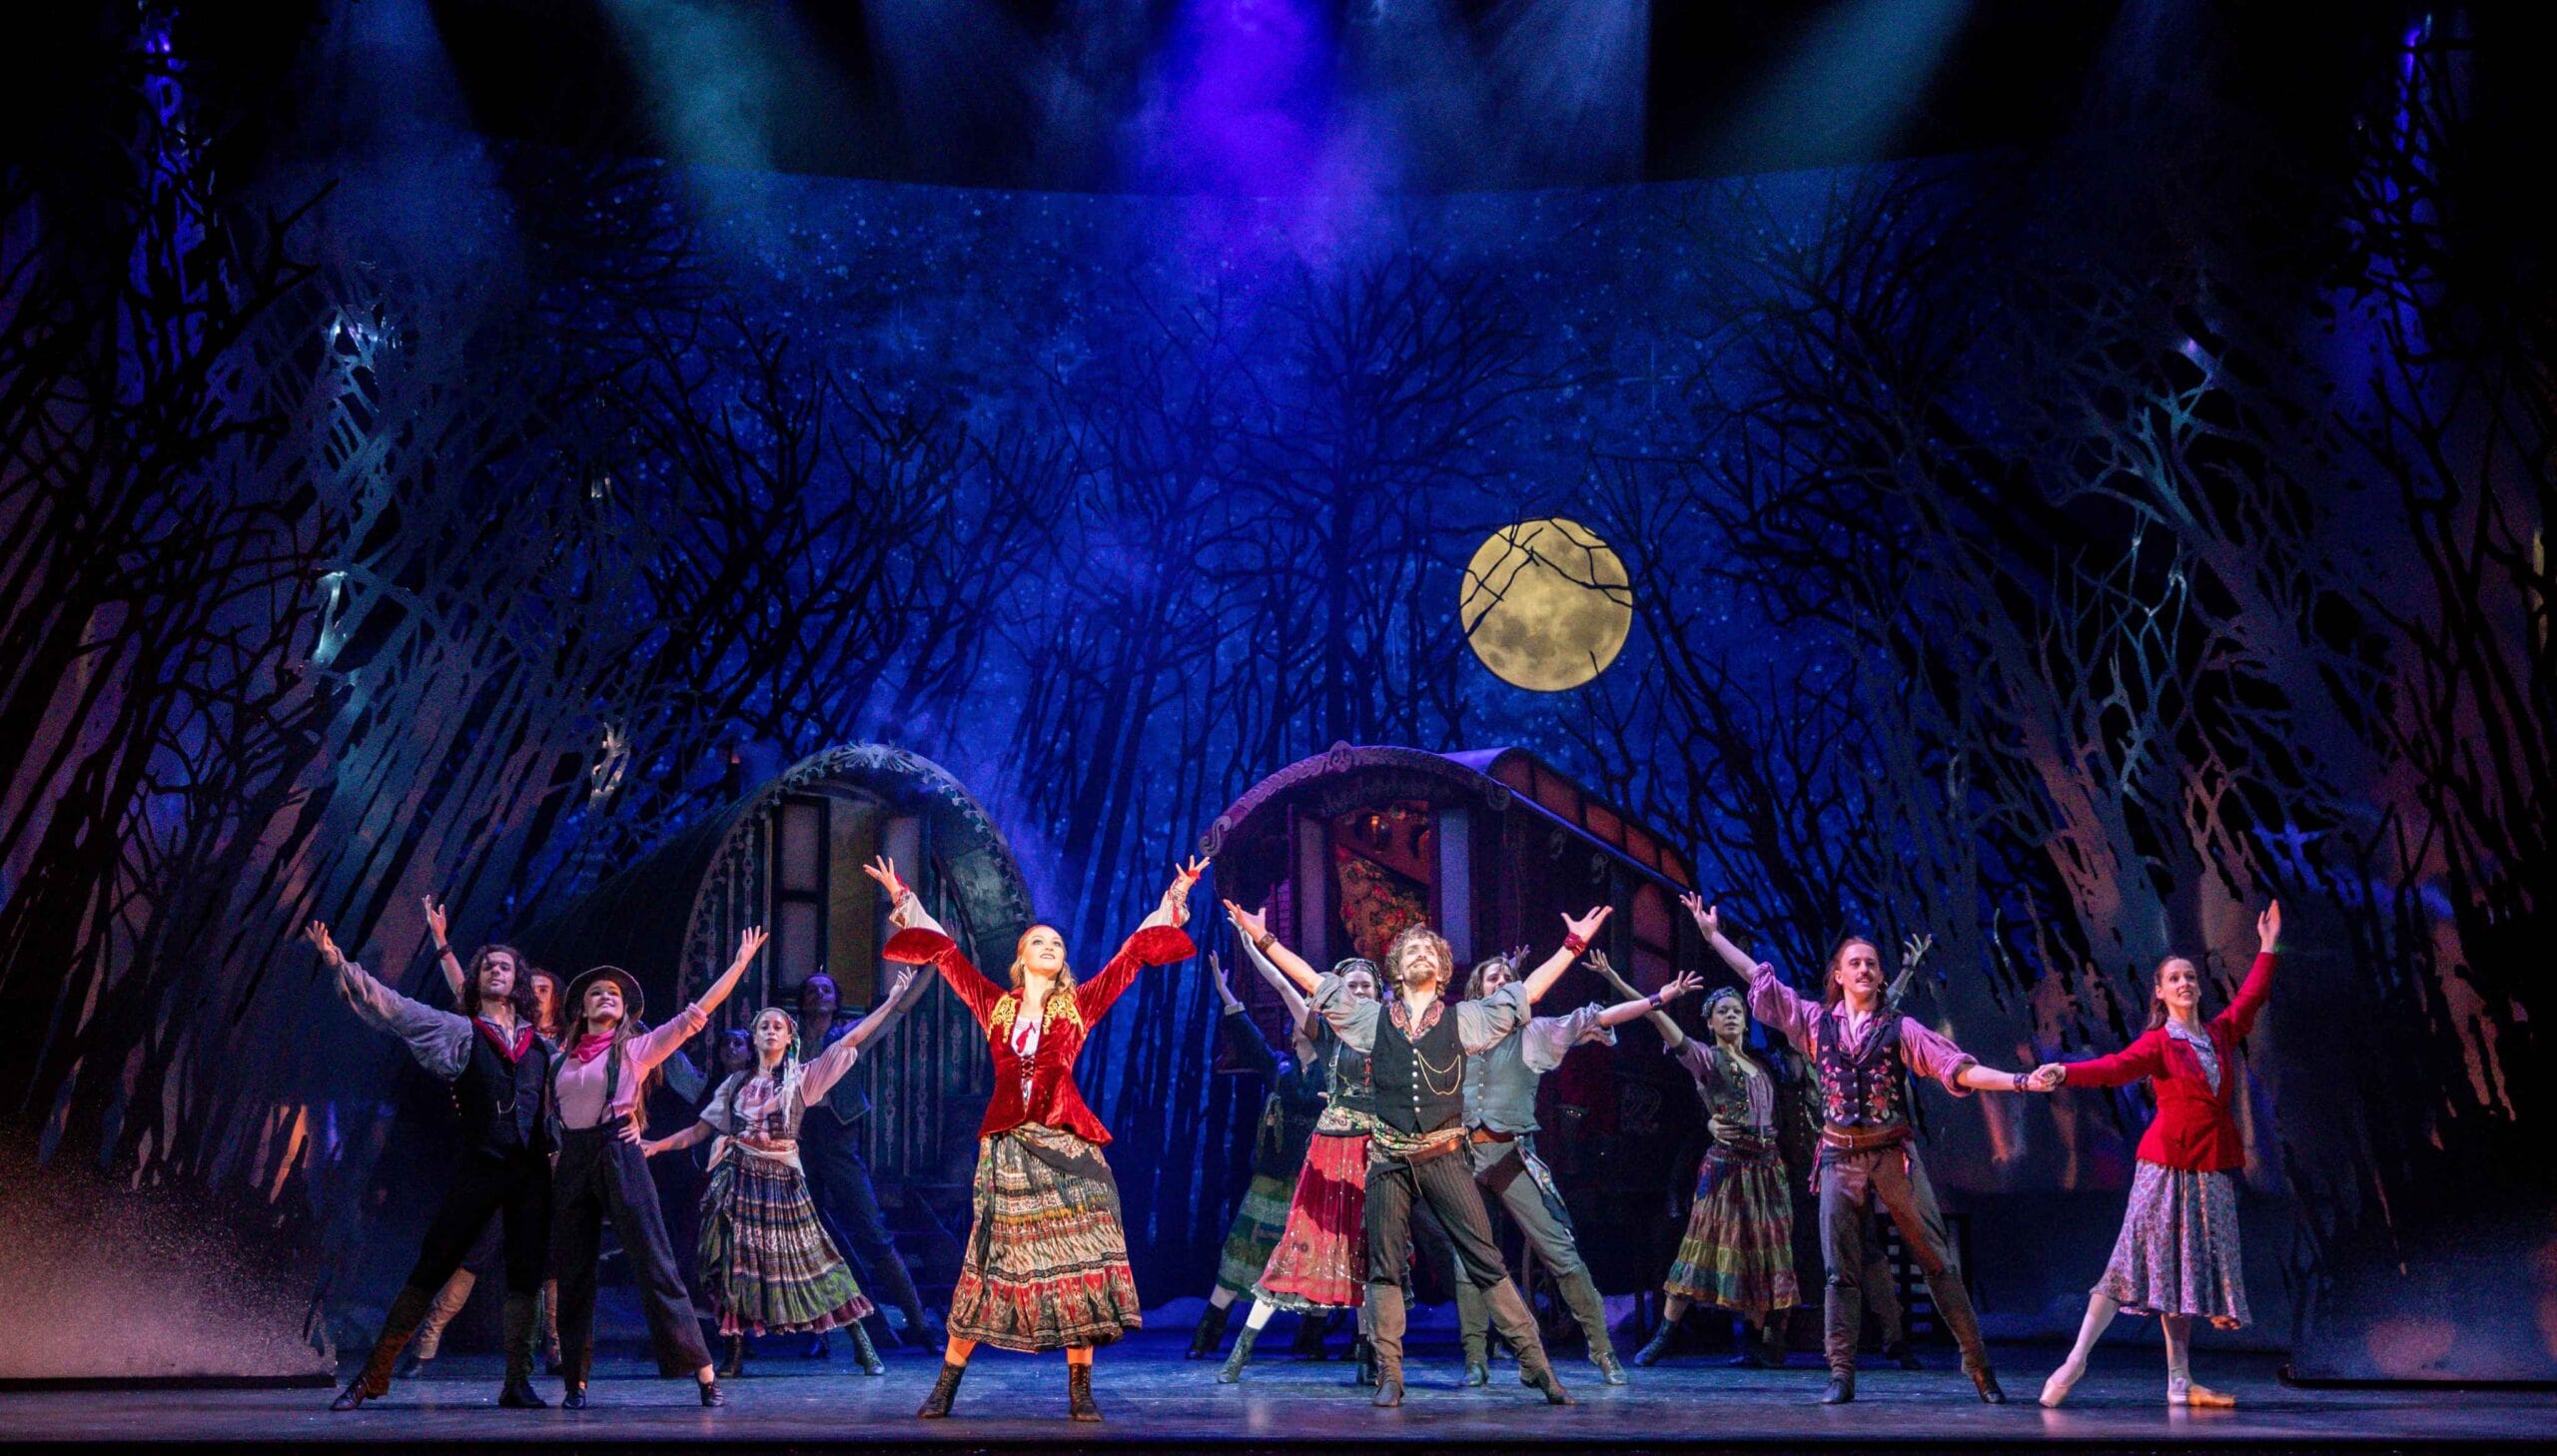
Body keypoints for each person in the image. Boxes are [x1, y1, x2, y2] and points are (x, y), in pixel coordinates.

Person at [1225, 898, 1618, 1408]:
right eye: (1409, 950)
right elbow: (1311, 983)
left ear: (1441, 967)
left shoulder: (1465, 1020)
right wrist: (1265, 939)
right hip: (1387, 1158)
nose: (1418, 955)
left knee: (1486, 1260)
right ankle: (1390, 1373)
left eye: (1428, 950)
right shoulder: (1368, 1020)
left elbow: (1530, 991)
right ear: (1397, 967)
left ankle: (1536, 1366)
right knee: (1384, 1266)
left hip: (1443, 1156)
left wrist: (1573, 945)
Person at [872, 854, 1202, 1423]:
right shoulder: (993, 1005)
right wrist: (903, 899)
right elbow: (947, 955)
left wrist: (1173, 901)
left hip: (1068, 1147)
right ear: (1020, 959)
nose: (1050, 945)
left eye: (1057, 942)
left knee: (1080, 1258)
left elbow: (1129, 957)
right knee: (987, 1262)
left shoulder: (1078, 1006)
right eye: (1038, 941)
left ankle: (1080, 1389)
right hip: (1007, 1150)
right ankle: (946, 1386)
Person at [1691, 894, 2051, 1405]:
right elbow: (1761, 981)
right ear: (1838, 975)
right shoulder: (1816, 1024)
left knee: (1937, 1263)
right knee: (1841, 1271)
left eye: (1871, 964)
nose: (1864, 969)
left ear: (1882, 977)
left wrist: (2021, 1083)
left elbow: (1958, 1068)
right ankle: (1841, 1374)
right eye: (1854, 963)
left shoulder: (1900, 1029)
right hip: (1839, 1157)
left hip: (1892, 1156)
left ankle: (1980, 1368)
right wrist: (1713, 938)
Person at [306, 910, 556, 1411]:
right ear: (478, 978)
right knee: (432, 1267)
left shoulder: (543, 1048)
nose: (497, 971)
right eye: (489, 966)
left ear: (520, 981)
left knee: (527, 1275)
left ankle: (517, 1381)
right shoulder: (458, 1031)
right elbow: (396, 1008)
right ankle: (374, 1375)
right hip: (481, 1168)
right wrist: (341, 965)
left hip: (529, 1174)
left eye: (506, 967)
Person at [2036, 902, 2281, 1409]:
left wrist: (2267, 946)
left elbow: (2252, 998)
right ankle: (2077, 1358)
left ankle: (2178, 1380)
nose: (2186, 983)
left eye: (2191, 976)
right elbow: (2111, 1068)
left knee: (2184, 1275)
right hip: (2164, 1166)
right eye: (2175, 978)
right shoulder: (2159, 1043)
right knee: (2128, 1262)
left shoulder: (2217, 1034)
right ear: (2160, 991)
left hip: (2209, 1167)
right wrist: (2065, 1071)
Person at [639, 976, 921, 1380]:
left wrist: (891, 999)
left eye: (778, 1025)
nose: (770, 1030)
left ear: (790, 1038)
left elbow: (852, 1040)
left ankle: (862, 1343)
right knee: (738, 1267)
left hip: (784, 1182)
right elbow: (700, 1131)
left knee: (815, 1263)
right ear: (754, 1038)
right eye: (763, 1026)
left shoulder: (801, 1076)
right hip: (742, 1183)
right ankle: (734, 1354)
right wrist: (656, 1146)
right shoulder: (735, 1083)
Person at [1452, 952, 1704, 1387]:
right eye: (1492, 978)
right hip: (1462, 1160)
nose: (1501, 984)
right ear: (1477, 992)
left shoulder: (1536, 1033)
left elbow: (1601, 1018)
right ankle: (1475, 1357)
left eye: (1509, 979)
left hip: (1511, 1157)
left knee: (1560, 1252)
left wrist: (1655, 1000)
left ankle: (1602, 1350)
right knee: (1468, 1260)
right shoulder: (1456, 1032)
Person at [549, 929, 767, 1409]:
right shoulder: (559, 1060)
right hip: (574, 1158)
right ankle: (575, 1382)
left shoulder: (634, 1050)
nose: (606, 996)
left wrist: (737, 965)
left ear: (624, 1012)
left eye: (615, 994)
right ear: (582, 1010)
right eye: (595, 993)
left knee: (654, 1262)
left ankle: (705, 1372)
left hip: (617, 1152)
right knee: (575, 1271)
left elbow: (695, 1017)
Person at [1604, 958, 1799, 1370]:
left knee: (1760, 1255)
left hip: (1765, 1170)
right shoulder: (1707, 1059)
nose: (1731, 1016)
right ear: (1710, 1023)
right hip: (1727, 1168)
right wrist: (1617, 978)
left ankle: (1757, 1343)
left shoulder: (1762, 1067)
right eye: (1722, 1012)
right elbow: (1658, 1018)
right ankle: (1664, 1335)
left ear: (1747, 1022)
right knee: (1699, 1250)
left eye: (1737, 1011)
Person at [1214, 941, 1393, 1385]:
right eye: (1350, 984)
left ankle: (1369, 1357)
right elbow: (1280, 982)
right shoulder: (1324, 1032)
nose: (1358, 991)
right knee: (1299, 1242)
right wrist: (1254, 943)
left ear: (1379, 992)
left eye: (1366, 985)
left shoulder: (1393, 1031)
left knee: (1366, 1252)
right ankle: (1241, 1350)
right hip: (1332, 1146)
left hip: (1376, 1149)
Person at [400, 938, 570, 1379]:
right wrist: (442, 949)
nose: (533, 991)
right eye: (528, 985)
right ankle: (426, 1344)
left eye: (543, 988)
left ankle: (556, 1349)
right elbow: (467, 997)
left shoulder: (560, 1047)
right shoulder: (499, 1034)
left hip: (549, 1163)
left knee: (551, 1261)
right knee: (475, 1252)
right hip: (502, 1158)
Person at [1188, 955, 1329, 1360]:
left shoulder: (1334, 1070)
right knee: (1242, 1252)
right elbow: (1248, 1036)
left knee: (1316, 1257)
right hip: (1271, 1177)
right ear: (1293, 1034)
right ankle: (1207, 1336)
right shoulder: (1280, 1066)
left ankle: (1310, 1337)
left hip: (1314, 1176)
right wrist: (1224, 991)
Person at [795, 968, 941, 1351]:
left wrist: (927, 972)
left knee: (873, 1233)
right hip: (798, 1139)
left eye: (827, 989)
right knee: (808, 1237)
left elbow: (897, 1010)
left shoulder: (847, 1036)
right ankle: (818, 1332)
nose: (819, 995)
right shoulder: (790, 1038)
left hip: (837, 1135)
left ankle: (919, 1323)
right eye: (812, 990)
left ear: (836, 999)